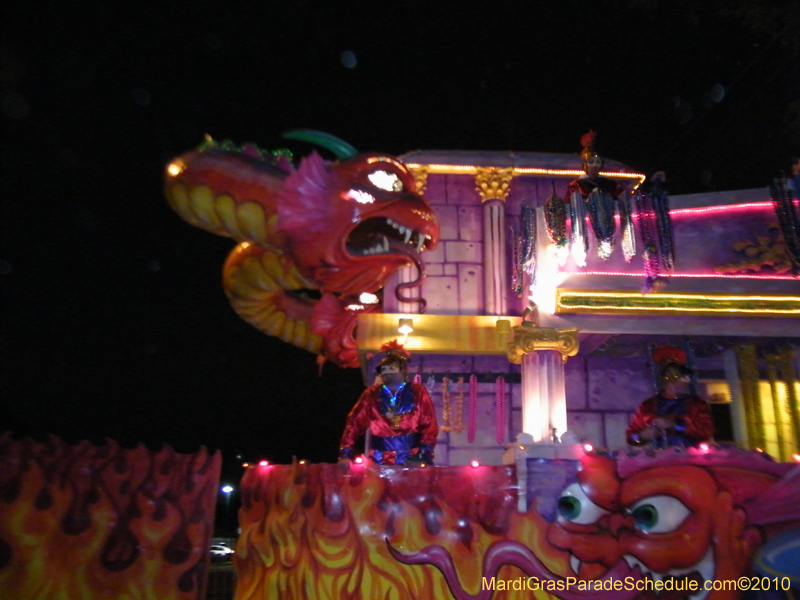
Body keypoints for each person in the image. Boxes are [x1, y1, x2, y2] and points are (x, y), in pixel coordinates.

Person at [339, 340, 438, 466]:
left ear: (403, 371)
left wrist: (423, 455)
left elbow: (429, 424)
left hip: (412, 457)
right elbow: (354, 423)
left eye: (392, 369)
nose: (387, 373)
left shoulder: (418, 391)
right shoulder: (371, 394)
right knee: (378, 485)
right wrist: (345, 454)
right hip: (379, 458)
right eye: (384, 369)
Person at [627, 347, 714, 448]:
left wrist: (675, 424)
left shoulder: (696, 403)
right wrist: (641, 436)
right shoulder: (648, 405)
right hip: (657, 460)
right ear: (670, 380)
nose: (688, 382)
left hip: (690, 458)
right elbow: (631, 437)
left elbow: (706, 431)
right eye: (684, 378)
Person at [564, 131, 628, 264]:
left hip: (609, 226)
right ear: (585, 165)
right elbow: (569, 204)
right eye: (591, 161)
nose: (595, 165)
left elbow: (622, 200)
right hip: (585, 230)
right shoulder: (577, 184)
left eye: (598, 162)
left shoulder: (611, 184)